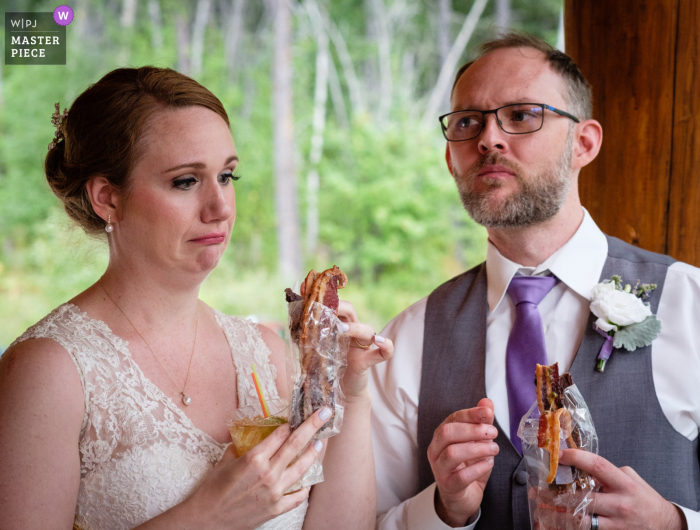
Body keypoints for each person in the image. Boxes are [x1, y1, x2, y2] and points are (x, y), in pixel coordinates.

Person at [0, 66, 393, 530]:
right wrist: (206, 517)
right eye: (186, 181)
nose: (220, 207)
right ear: (107, 197)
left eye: (227, 176)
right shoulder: (51, 370)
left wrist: (351, 388)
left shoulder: (264, 353)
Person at [370, 32, 700, 530]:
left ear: (583, 144)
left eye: (521, 115)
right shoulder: (408, 339)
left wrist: (677, 524)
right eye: (467, 123)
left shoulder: (690, 304)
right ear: (450, 158)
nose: (488, 138)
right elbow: (360, 519)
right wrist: (441, 511)